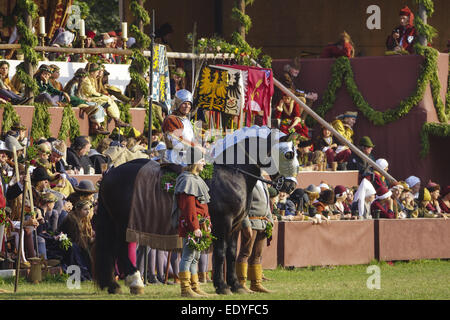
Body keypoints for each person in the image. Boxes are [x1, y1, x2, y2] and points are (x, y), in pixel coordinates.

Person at [172, 151, 211, 297]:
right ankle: (185, 288)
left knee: (195, 257)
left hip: (201, 225)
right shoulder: (187, 181)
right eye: (201, 161)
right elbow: (189, 208)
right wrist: (194, 227)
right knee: (187, 256)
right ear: (194, 162)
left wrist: (206, 223)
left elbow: (202, 205)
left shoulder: (196, 179)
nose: (204, 164)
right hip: (191, 225)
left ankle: (195, 287)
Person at [236, 179, 274, 294]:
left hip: (263, 222)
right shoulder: (247, 181)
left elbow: (267, 204)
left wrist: (270, 221)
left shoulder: (262, 182)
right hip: (251, 222)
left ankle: (256, 283)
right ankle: (241, 283)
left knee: (257, 254)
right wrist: (245, 223)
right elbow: (242, 204)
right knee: (245, 253)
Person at [79, 62, 130, 128]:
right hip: (87, 99)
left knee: (110, 101)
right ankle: (114, 121)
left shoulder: (92, 79)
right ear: (92, 72)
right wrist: (104, 96)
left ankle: (117, 120)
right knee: (107, 100)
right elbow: (92, 93)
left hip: (92, 98)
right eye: (97, 72)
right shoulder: (87, 80)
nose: (98, 73)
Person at [63, 68, 109, 135]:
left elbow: (80, 95)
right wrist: (82, 99)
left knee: (97, 106)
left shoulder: (79, 84)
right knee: (93, 107)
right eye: (84, 77)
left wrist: (85, 98)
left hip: (79, 100)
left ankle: (98, 126)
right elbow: (71, 96)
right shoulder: (74, 84)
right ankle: (97, 127)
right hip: (73, 101)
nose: (85, 79)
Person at [58, 199, 95, 280]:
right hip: (68, 244)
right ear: (78, 210)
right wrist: (90, 240)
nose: (88, 212)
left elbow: (88, 233)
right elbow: (77, 238)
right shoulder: (72, 219)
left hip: (79, 242)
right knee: (81, 249)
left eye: (88, 209)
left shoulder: (85, 219)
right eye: (85, 209)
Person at [162, 89, 198, 167]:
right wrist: (195, 147)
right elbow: (177, 142)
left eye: (189, 104)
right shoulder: (171, 119)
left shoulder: (186, 120)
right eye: (184, 104)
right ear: (178, 104)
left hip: (188, 155)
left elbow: (191, 139)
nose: (187, 106)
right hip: (175, 158)